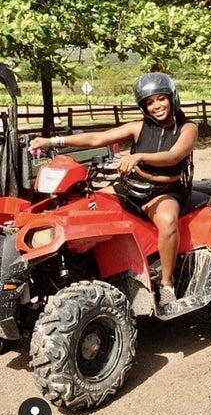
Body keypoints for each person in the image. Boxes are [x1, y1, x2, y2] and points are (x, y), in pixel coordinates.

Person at [29, 72, 198, 310]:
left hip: (164, 190)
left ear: (172, 98)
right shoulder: (138, 127)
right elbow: (97, 138)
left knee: (168, 220)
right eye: (150, 102)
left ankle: (167, 285)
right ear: (143, 106)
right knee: (86, 206)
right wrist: (53, 141)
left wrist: (139, 156)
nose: (156, 106)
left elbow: (174, 156)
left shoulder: (188, 128)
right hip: (129, 186)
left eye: (161, 99)